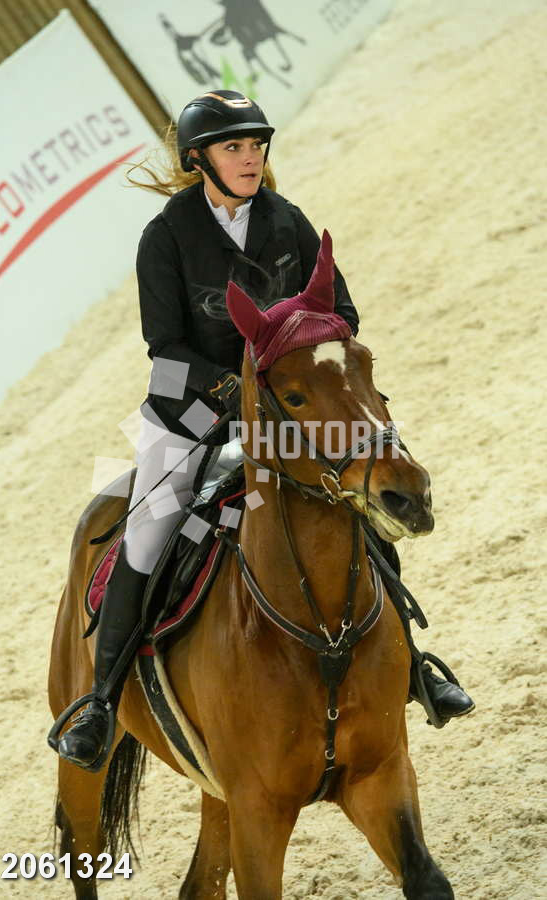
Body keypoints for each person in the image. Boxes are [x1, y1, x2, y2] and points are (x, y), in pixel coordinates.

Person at [57, 90, 474, 771]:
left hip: (288, 406)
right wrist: (235, 388)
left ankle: (414, 665)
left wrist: (301, 361)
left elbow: (343, 312)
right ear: (199, 161)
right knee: (150, 532)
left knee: (357, 502)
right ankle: (101, 701)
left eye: (255, 145)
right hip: (193, 407)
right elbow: (164, 347)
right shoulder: (166, 237)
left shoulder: (287, 220)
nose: (250, 158)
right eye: (234, 147)